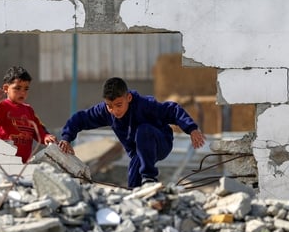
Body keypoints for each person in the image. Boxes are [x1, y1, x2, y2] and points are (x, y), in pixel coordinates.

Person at [58, 77, 206, 188]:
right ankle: (138, 195)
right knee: (133, 182)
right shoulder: (105, 112)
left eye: (118, 105)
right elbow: (81, 118)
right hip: (137, 151)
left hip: (160, 142)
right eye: (110, 106)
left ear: (128, 98)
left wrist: (191, 129)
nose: (114, 111)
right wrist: (66, 138)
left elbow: (172, 110)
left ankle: (149, 179)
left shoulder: (145, 105)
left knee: (143, 130)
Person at [0, 66, 57, 163]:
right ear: (6, 88)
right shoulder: (1, 107)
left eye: (26, 89)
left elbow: (38, 128)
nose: (22, 92)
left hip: (24, 163)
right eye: (18, 88)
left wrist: (45, 136)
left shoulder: (29, 110)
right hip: (5, 161)